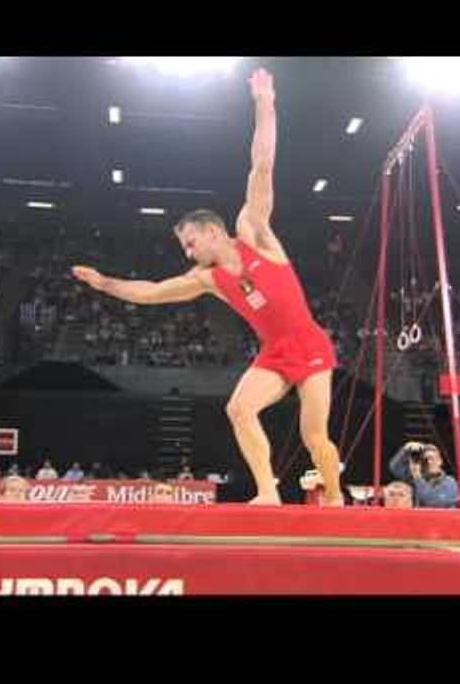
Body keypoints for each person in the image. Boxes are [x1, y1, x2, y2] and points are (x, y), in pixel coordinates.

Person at [73, 68, 343, 506]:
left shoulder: (254, 232)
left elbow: (262, 164)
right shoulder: (208, 279)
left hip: (309, 343)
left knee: (315, 437)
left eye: (190, 243)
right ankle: (268, 492)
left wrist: (265, 103)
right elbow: (151, 292)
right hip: (275, 352)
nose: (187, 252)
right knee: (238, 409)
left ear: (213, 232)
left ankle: (335, 497)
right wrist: (104, 283)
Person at [388, 442, 458, 508]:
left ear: (440, 461)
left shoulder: (450, 482)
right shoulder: (415, 479)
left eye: (432, 458)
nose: (429, 462)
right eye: (425, 460)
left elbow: (432, 501)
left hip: (441, 517)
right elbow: (395, 468)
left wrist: (418, 477)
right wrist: (405, 449)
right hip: (417, 516)